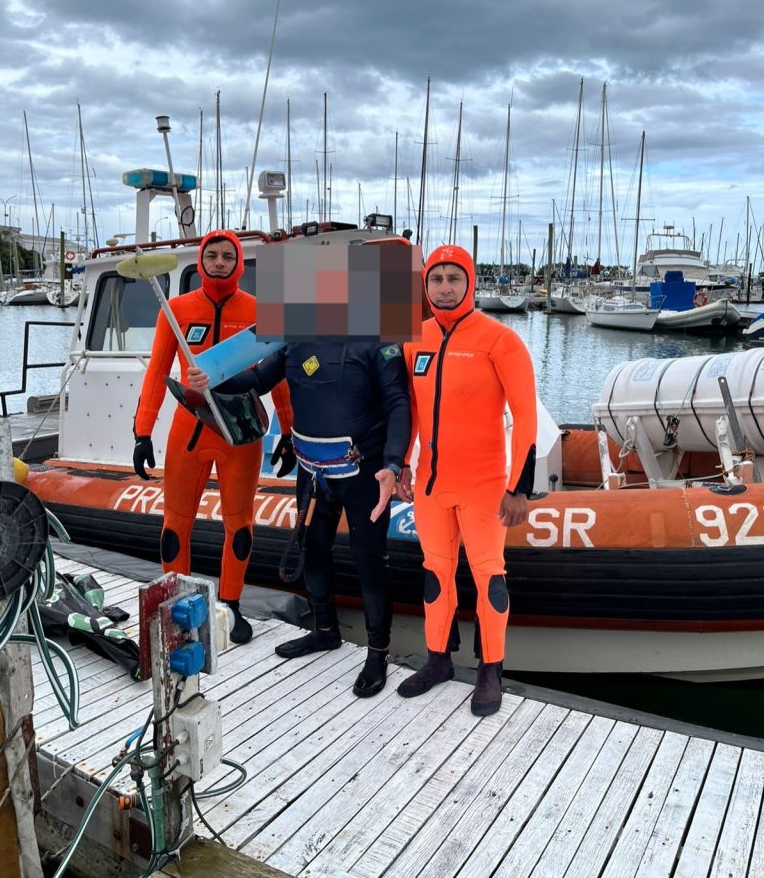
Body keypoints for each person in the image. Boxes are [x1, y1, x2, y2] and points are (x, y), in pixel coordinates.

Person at [187, 338, 411, 697]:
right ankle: (325, 630)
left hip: (363, 472)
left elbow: (399, 401)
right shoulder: (296, 338)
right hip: (312, 470)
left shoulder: (378, 339)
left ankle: (378, 652)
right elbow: (258, 380)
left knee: (369, 558)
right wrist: (212, 378)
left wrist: (393, 463)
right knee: (313, 547)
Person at [132, 229, 295, 644]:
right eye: (212, 256)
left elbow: (280, 381)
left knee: (239, 525)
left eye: (227, 256)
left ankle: (232, 606)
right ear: (201, 261)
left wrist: (289, 431)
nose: (219, 263)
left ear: (239, 262)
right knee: (175, 525)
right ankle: (175, 601)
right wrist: (142, 431)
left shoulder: (263, 310)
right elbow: (156, 372)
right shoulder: (176, 310)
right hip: (189, 432)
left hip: (239, 433)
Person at [396, 244, 537, 716]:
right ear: (426, 286)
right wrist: (400, 465)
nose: (445, 287)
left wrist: (518, 488)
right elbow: (411, 412)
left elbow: (526, 417)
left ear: (469, 283)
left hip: (484, 486)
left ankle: (490, 669)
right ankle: (438, 660)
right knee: (435, 576)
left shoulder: (500, 340)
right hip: (432, 486)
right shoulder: (413, 338)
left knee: (489, 581)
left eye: (454, 278)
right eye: (436, 279)